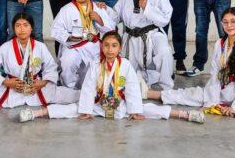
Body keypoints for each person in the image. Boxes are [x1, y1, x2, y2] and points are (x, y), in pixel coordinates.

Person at [19, 31, 204, 123]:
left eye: (114, 46)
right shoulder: (95, 65)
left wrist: (134, 110)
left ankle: (185, 114)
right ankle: (36, 113)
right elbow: (88, 88)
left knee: (148, 109)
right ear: (102, 47)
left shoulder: (126, 65)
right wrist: (86, 109)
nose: (109, 49)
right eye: (106, 45)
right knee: (72, 109)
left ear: (119, 48)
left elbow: (132, 89)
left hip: (121, 105)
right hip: (98, 105)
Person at [102, 0, 174, 91]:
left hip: (152, 34)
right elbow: (116, 16)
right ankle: (136, 82)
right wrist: (105, 9)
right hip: (130, 37)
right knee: (124, 79)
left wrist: (148, 8)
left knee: (164, 52)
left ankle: (166, 88)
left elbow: (165, 18)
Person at [51, 0, 116, 89]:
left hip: (93, 44)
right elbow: (55, 29)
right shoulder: (66, 9)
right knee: (68, 60)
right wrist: (69, 38)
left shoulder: (98, 8)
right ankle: (69, 88)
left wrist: (99, 20)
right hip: (73, 45)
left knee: (97, 67)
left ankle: (93, 89)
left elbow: (111, 30)